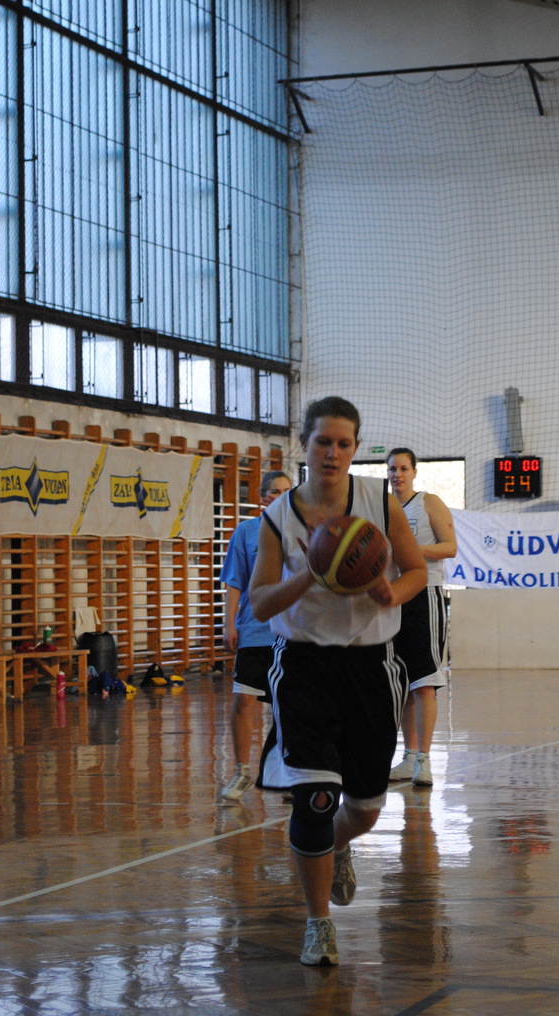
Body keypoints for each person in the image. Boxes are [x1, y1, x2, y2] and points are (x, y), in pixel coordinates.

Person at [250, 397, 427, 968]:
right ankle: (318, 923)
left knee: (366, 807)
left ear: (354, 449)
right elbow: (259, 604)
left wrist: (391, 593)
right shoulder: (278, 518)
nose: (332, 452)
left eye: (343, 443)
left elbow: (417, 570)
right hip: (303, 669)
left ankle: (336, 846)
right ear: (304, 444)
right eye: (323, 441)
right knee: (316, 799)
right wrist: (311, 572)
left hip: (371, 666)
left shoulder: (378, 501)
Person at [219, 469, 292, 800]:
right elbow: (235, 581)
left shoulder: (303, 532)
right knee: (243, 702)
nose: (282, 497)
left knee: (287, 708)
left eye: (288, 491)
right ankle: (241, 772)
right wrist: (229, 624)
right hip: (254, 630)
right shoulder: (246, 532)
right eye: (275, 491)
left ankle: (287, 772)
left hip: (288, 633)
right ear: (263, 498)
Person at [386, 448, 457, 786]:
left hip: (425, 595)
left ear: (414, 472)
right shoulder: (383, 508)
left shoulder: (428, 503)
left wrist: (410, 550)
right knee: (402, 684)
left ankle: (425, 760)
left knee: (424, 683)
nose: (397, 474)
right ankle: (409, 757)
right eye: (392, 469)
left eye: (403, 468)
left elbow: (449, 547)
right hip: (393, 596)